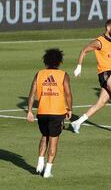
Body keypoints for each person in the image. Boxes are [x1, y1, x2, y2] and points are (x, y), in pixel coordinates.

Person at [71, 19, 111, 134]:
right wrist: (79, 66)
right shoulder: (99, 42)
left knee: (101, 102)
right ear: (108, 28)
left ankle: (77, 122)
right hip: (105, 73)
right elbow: (84, 51)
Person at [27, 49, 72, 178]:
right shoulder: (63, 75)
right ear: (59, 61)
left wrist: (29, 111)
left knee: (44, 135)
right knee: (54, 140)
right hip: (57, 112)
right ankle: (47, 171)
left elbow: (31, 94)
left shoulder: (39, 74)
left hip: (42, 112)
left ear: (45, 61)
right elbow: (68, 94)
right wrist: (69, 109)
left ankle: (40, 161)